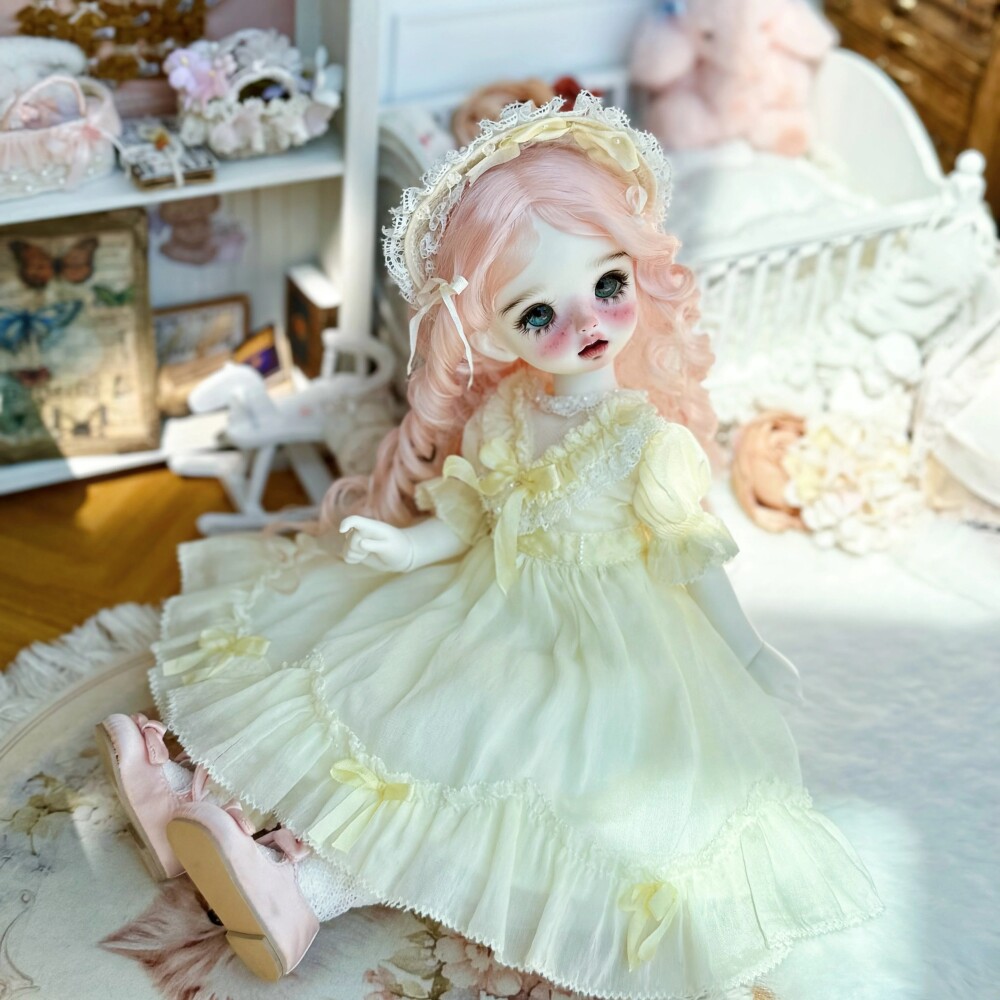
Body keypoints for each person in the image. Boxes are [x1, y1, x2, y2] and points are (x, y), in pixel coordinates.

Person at [97, 95, 881, 999]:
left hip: (597, 640)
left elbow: (691, 556)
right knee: (365, 689)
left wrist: (743, 649)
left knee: (469, 756)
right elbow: (473, 512)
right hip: (485, 591)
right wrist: (408, 551)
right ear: (486, 328)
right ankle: (200, 804)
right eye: (536, 314)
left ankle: (303, 889)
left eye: (608, 285)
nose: (584, 323)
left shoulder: (645, 442)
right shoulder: (510, 409)